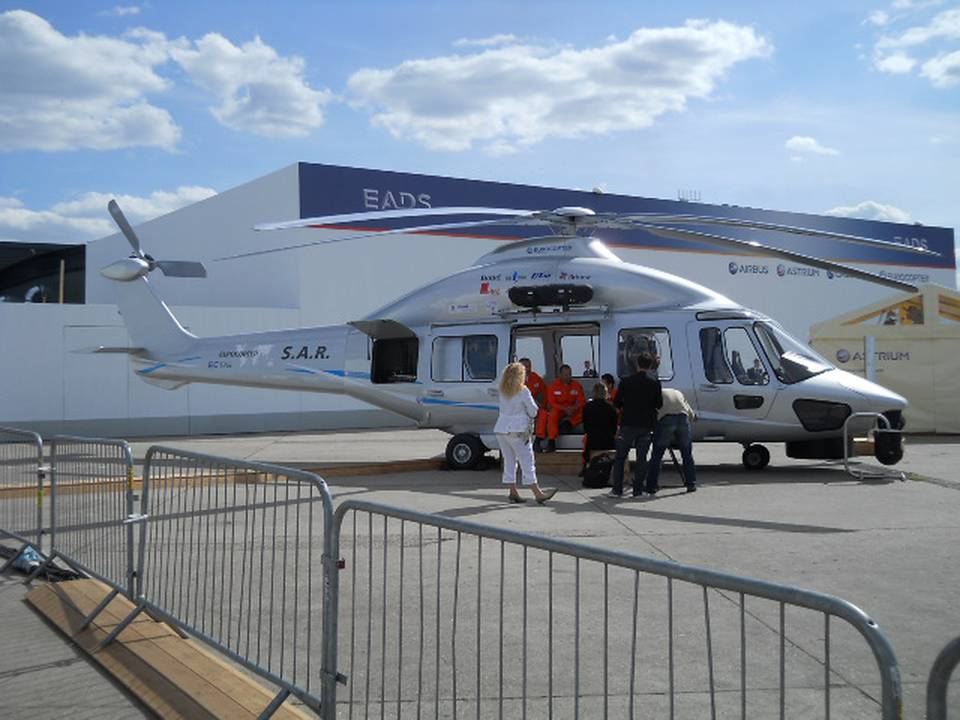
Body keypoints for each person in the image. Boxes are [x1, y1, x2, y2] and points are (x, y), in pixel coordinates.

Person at [494, 362, 558, 504]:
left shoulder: (502, 389)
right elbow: (533, 411)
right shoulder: (523, 390)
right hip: (518, 429)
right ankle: (537, 492)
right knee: (527, 460)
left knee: (509, 460)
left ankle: (513, 490)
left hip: (501, 428)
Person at [608, 353, 662, 498]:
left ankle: (617, 490)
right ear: (650, 365)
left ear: (637, 364)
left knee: (620, 457)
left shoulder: (626, 381)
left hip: (628, 424)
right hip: (646, 425)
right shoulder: (654, 382)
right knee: (641, 458)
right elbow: (659, 404)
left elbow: (617, 403)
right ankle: (638, 491)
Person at [645, 388, 698, 494]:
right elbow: (692, 415)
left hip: (666, 419)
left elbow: (651, 412)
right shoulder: (678, 392)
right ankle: (691, 484)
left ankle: (651, 486)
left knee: (657, 454)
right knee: (687, 454)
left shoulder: (655, 393)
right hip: (683, 419)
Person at [540, 364, 586, 453]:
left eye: (569, 374)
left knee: (585, 411)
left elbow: (582, 401)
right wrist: (564, 409)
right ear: (560, 375)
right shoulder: (553, 386)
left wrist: (574, 408)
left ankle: (569, 424)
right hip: (560, 410)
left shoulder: (577, 385)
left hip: (573, 411)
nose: (568, 377)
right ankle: (552, 440)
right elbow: (552, 402)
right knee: (553, 414)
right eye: (566, 374)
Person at [581, 382, 617, 472]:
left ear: (594, 392)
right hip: (608, 442)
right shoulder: (611, 408)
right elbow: (614, 429)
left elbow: (586, 427)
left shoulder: (587, 407)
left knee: (586, 440)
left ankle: (585, 467)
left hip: (593, 441)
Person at [520, 358, 548, 452]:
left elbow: (545, 391)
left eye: (529, 366)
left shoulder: (535, 377)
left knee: (543, 413)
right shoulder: (515, 380)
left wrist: (543, 405)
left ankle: (538, 440)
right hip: (520, 408)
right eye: (525, 366)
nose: (528, 369)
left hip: (533, 406)